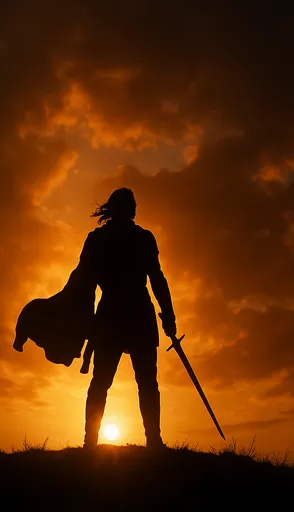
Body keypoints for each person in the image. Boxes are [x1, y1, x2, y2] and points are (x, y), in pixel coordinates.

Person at [75, 187, 176, 449]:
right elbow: (83, 283)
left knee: (133, 382)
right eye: (130, 206)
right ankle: (94, 441)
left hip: (123, 314)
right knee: (113, 381)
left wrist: (169, 315)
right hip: (121, 314)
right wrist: (168, 316)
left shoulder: (118, 239)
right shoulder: (110, 239)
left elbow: (156, 278)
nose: (132, 211)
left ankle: (149, 440)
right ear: (127, 209)